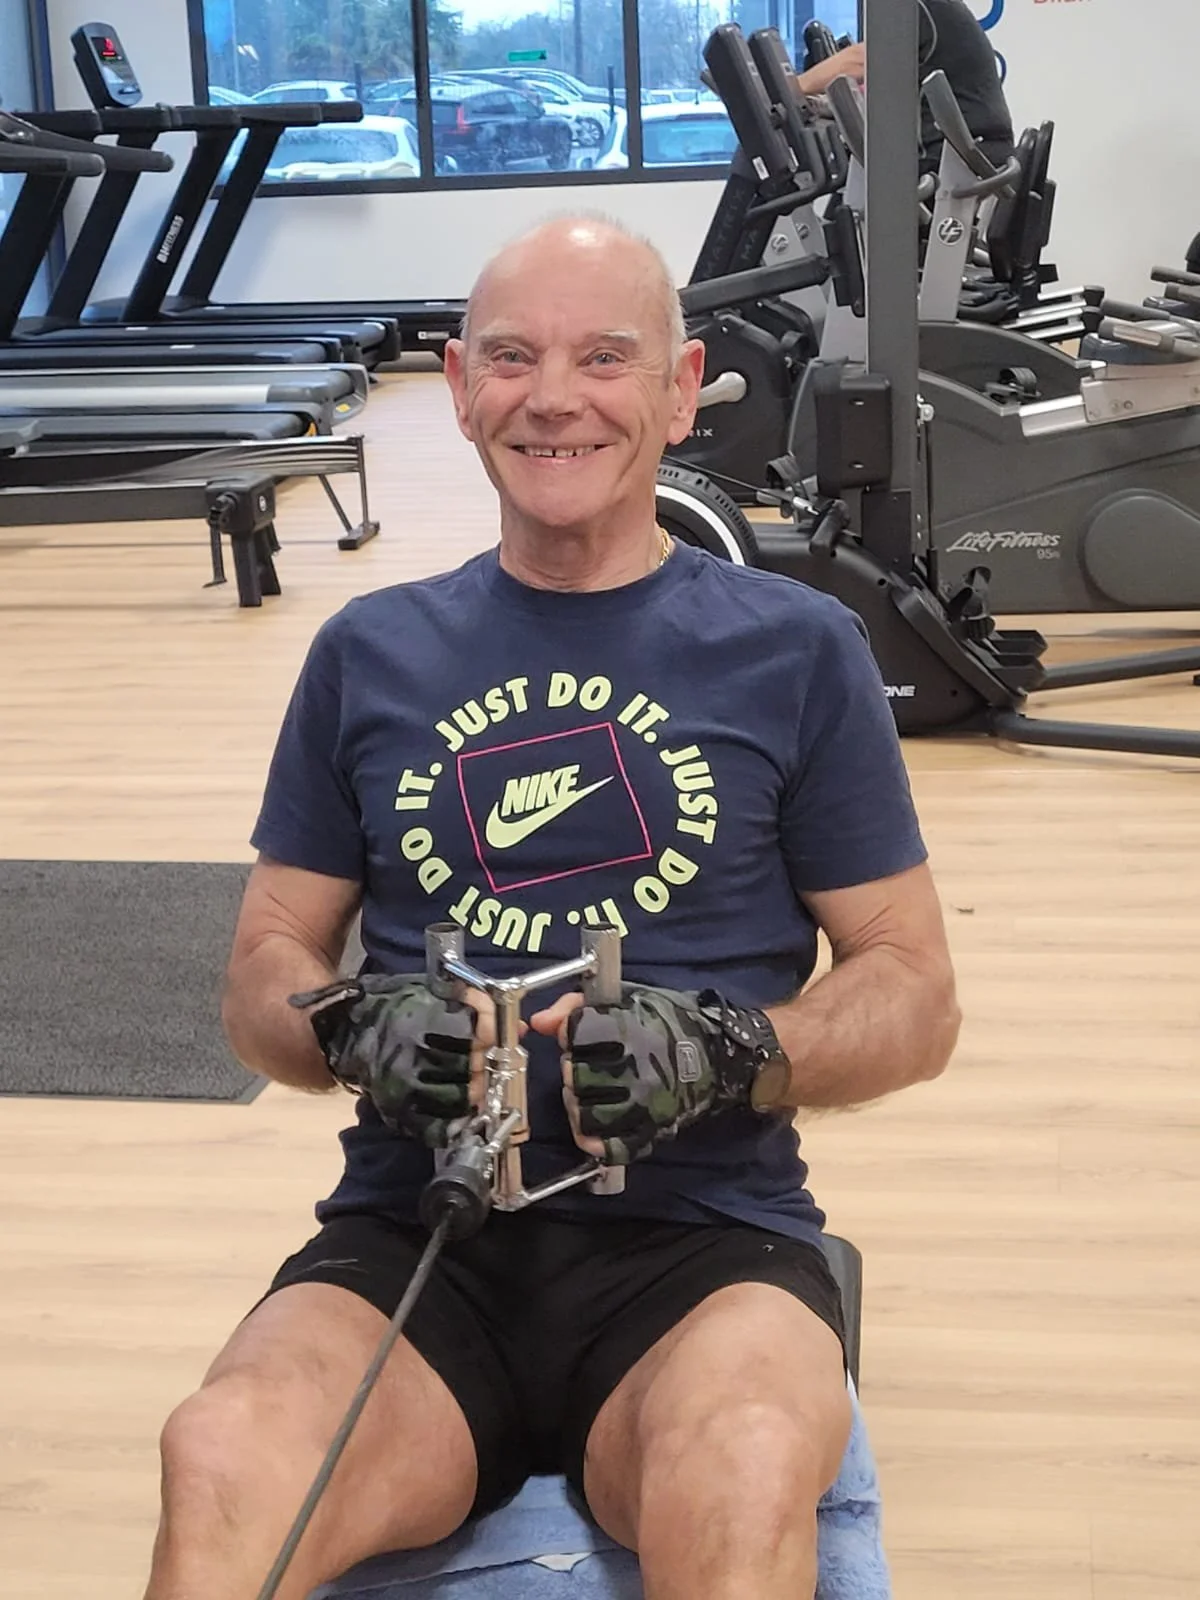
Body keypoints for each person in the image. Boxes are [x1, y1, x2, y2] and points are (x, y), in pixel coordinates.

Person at [142, 216, 960, 1600]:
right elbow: (257, 981)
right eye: (513, 359)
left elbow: (912, 992)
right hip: (418, 1237)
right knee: (218, 1453)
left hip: (702, 1246)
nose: (555, 397)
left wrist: (734, 1051)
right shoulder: (368, 653)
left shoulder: (795, 650)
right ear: (459, 385)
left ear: (683, 385)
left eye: (605, 358)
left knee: (750, 1459)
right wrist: (345, 1027)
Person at [795, 0, 1015, 176]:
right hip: (976, 155)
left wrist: (794, 87)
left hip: (953, 161)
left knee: (852, 202)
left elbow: (864, 58)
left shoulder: (917, 8)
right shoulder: (940, 8)